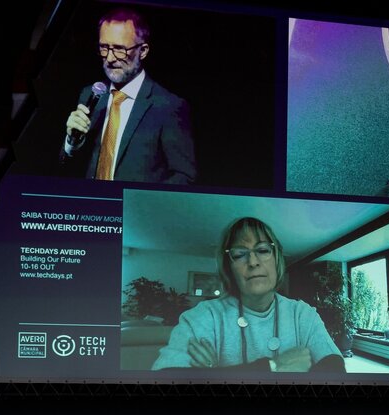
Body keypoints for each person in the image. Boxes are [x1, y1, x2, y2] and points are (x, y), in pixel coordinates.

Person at [152, 216, 346, 372]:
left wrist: (212, 375)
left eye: (262, 250)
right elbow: (164, 379)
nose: (253, 261)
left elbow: (335, 370)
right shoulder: (203, 317)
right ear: (229, 267)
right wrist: (274, 366)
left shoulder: (303, 315)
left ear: (277, 259)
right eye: (239, 254)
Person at [60, 6, 196, 184]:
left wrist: (140, 204)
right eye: (104, 47)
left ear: (143, 51)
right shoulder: (91, 95)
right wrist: (71, 142)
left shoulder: (168, 106)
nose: (109, 58)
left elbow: (184, 175)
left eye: (119, 49)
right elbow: (66, 169)